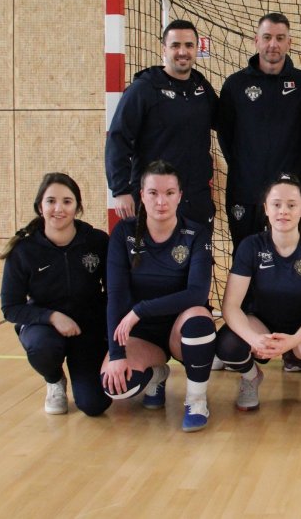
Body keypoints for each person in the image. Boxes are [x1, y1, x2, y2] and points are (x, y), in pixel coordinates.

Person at [101, 161, 217, 432]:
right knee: (115, 386)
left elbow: (197, 294)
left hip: (179, 329)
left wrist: (140, 310)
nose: (161, 201)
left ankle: (196, 399)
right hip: (141, 334)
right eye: (153, 193)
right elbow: (115, 296)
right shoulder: (124, 233)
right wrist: (117, 354)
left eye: (169, 193)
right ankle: (156, 373)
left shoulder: (196, 234)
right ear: (141, 195)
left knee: (200, 319)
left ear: (179, 196)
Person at [215, 174, 301, 411]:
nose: (283, 211)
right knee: (228, 345)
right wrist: (254, 340)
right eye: (276, 204)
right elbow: (230, 306)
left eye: (291, 205)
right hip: (262, 324)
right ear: (265, 208)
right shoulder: (251, 246)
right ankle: (250, 377)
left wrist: (293, 341)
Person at [0, 173, 111, 417]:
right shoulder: (24, 251)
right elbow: (10, 307)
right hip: (45, 327)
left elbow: (113, 290)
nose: (58, 208)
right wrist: (52, 317)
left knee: (94, 405)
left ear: (77, 207)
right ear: (40, 206)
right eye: (51, 201)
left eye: (67, 201)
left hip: (87, 328)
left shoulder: (97, 241)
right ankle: (54, 380)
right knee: (42, 347)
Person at [217, 13, 301, 254]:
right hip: (243, 190)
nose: (273, 44)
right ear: (256, 40)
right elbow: (225, 134)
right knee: (244, 256)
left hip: (287, 193)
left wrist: (290, 166)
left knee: (286, 258)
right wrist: (247, 165)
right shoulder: (235, 85)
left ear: (289, 43)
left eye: (280, 38)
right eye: (267, 37)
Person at [105, 19, 218, 228]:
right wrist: (120, 190)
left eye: (189, 45)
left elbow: (230, 125)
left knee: (198, 261)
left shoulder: (201, 88)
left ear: (196, 49)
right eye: (175, 45)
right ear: (164, 49)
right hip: (157, 202)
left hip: (196, 200)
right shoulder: (143, 90)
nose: (182, 52)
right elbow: (118, 139)